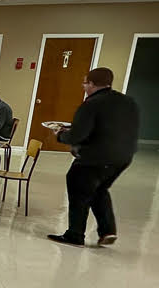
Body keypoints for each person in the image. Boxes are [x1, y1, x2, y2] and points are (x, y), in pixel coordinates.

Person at [47, 67, 138, 247]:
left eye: (85, 83)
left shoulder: (91, 104)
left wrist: (60, 134)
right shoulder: (128, 102)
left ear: (91, 83)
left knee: (78, 189)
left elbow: (77, 135)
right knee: (99, 190)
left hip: (95, 157)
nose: (84, 87)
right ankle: (108, 231)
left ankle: (75, 234)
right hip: (123, 157)